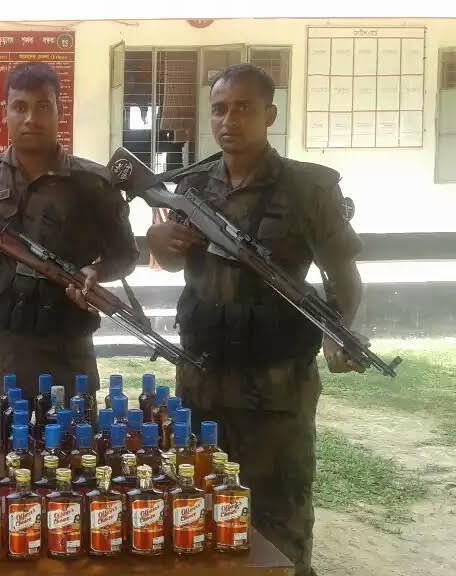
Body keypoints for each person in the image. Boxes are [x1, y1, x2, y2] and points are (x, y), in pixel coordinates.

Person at [146, 63, 364, 576]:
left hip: (275, 384)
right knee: (197, 499)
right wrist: (158, 241)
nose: (229, 120)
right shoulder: (192, 186)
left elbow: (343, 273)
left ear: (269, 114)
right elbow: (177, 260)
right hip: (201, 375)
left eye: (243, 108)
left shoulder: (307, 188)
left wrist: (338, 332)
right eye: (219, 109)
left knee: (277, 510)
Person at [0, 62, 138, 398]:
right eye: (20, 107)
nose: (31, 118)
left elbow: (126, 256)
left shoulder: (93, 184)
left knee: (71, 433)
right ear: (5, 113)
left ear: (60, 112)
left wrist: (96, 272)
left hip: (67, 350)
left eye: (43, 106)